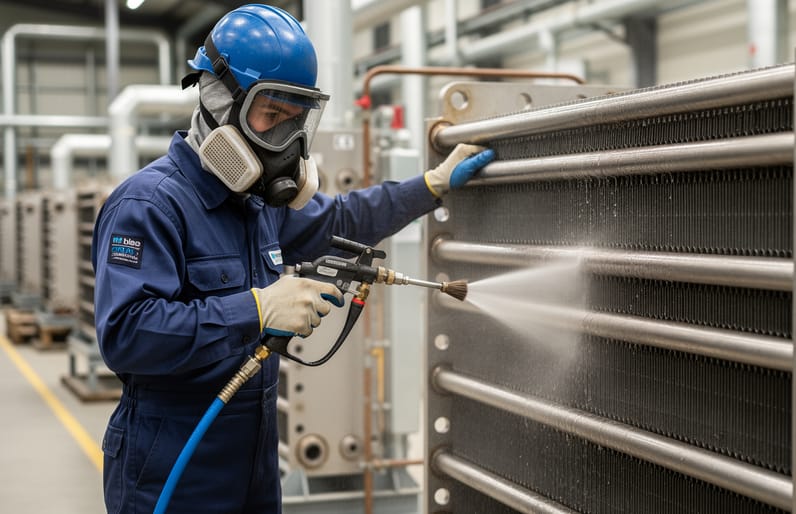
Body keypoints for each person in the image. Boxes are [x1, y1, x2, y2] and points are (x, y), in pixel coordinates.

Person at [91, 4, 494, 513]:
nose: (287, 142)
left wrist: (430, 186)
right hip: (170, 460)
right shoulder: (148, 206)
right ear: (217, 98)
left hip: (254, 460)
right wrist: (257, 310)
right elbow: (128, 334)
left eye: (297, 119)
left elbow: (342, 221)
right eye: (272, 116)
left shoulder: (258, 204)